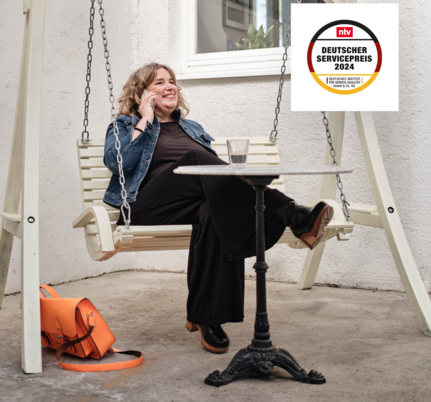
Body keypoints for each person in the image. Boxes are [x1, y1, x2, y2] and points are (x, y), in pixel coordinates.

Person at [103, 63, 334, 354]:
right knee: (195, 159)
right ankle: (291, 213)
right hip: (146, 205)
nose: (169, 86)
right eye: (159, 82)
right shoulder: (124, 124)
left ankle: (207, 316)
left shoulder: (192, 128)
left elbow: (214, 179)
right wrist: (145, 120)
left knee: (214, 214)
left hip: (187, 204)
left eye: (171, 81)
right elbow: (118, 164)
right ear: (141, 93)